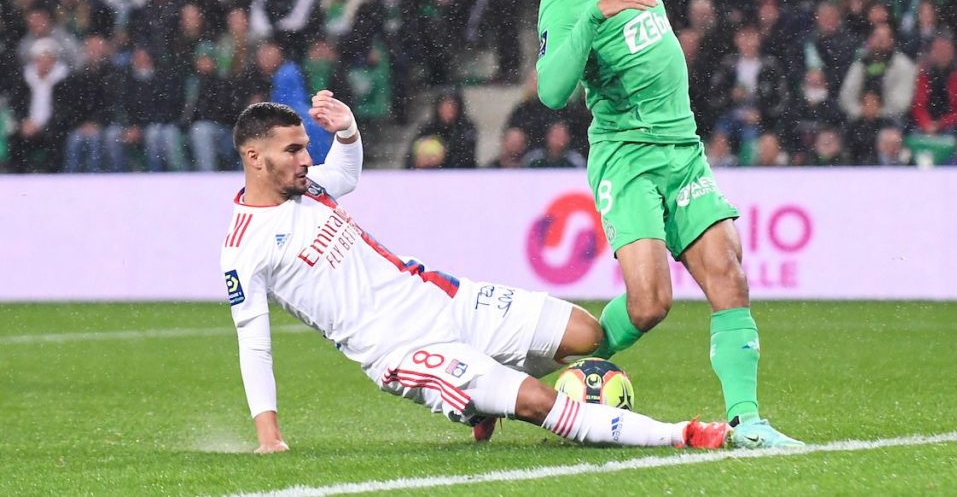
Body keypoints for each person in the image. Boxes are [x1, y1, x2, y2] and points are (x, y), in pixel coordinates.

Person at [221, 95, 731, 452]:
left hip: (443, 296)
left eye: (306, 146)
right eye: (294, 150)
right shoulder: (244, 249)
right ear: (254, 157)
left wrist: (349, 130)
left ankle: (483, 402)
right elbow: (254, 345)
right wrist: (269, 435)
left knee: (587, 335)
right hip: (401, 349)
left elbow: (346, 173)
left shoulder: (307, 184)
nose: (307, 159)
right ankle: (680, 434)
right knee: (537, 402)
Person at [535, 0, 802, 448]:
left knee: (729, 274)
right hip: (628, 158)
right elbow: (552, 91)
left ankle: (747, 423)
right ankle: (520, 386)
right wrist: (594, 16)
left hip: (683, 151)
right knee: (650, 304)